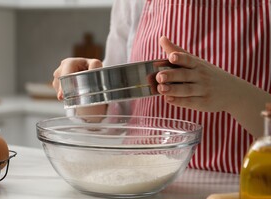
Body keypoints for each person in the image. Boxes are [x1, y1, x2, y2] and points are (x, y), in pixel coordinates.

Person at [53, 0, 271, 174]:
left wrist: (235, 95)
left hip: (245, 195)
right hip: (140, 183)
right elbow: (116, 113)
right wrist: (86, 90)